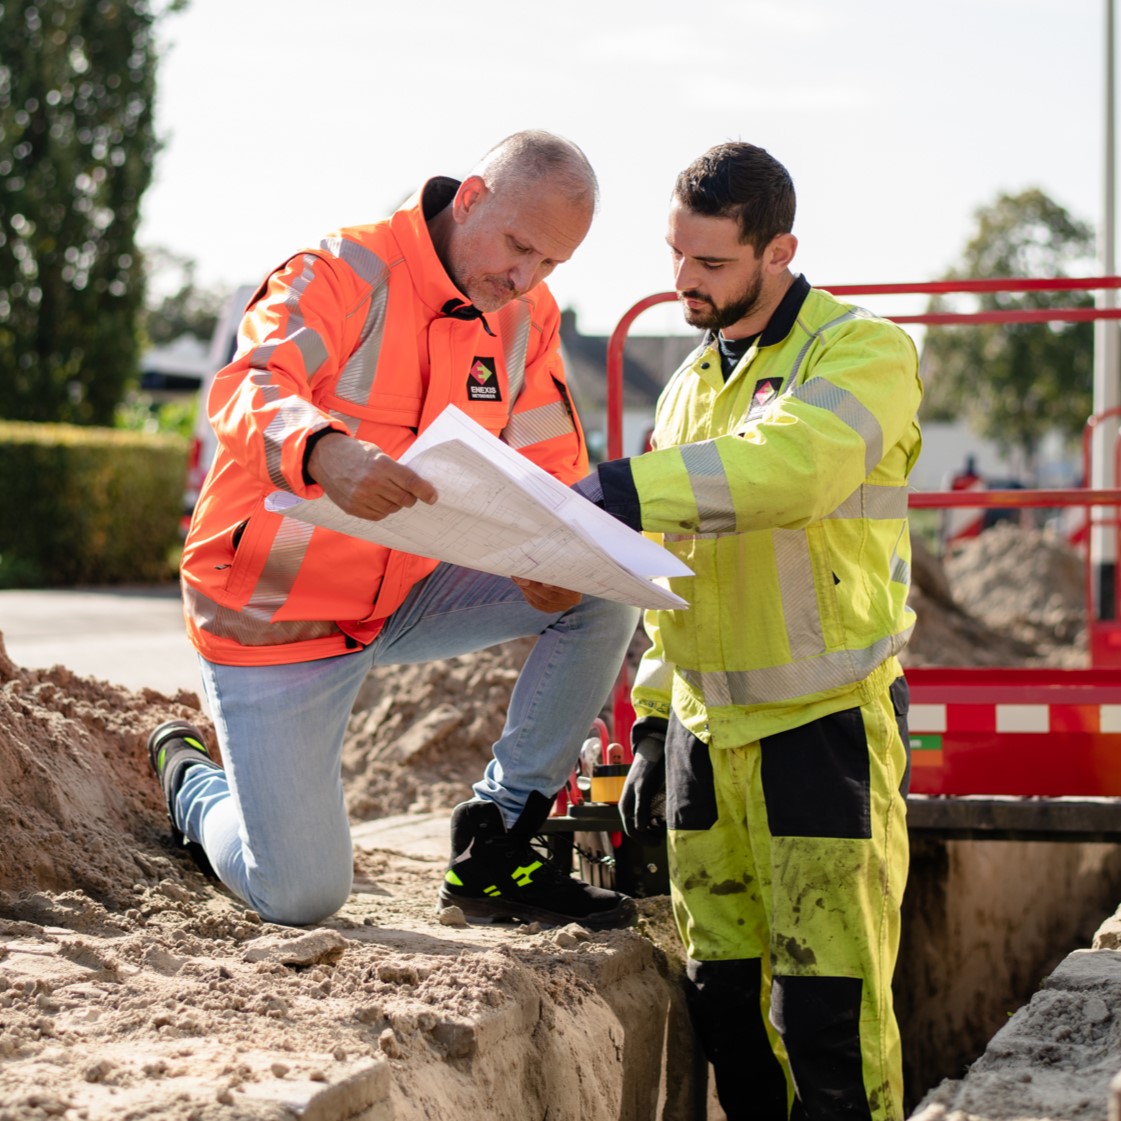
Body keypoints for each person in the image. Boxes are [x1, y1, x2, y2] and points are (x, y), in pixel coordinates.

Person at [146, 130, 640, 932]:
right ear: (472, 198)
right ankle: (193, 782)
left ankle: (497, 839)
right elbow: (248, 386)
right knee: (300, 895)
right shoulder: (340, 271)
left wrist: (552, 553)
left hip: (407, 593)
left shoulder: (526, 317)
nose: (524, 279)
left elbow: (551, 468)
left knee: (599, 595)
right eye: (518, 247)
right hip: (274, 616)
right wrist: (323, 450)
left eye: (549, 264)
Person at [578, 143, 923, 1120]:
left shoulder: (861, 351)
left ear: (779, 250)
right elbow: (671, 573)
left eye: (710, 264)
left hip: (820, 731)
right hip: (700, 741)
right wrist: (650, 720)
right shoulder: (687, 382)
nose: (682, 282)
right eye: (675, 256)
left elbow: (791, 468)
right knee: (725, 1008)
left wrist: (624, 485)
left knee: (825, 1015)